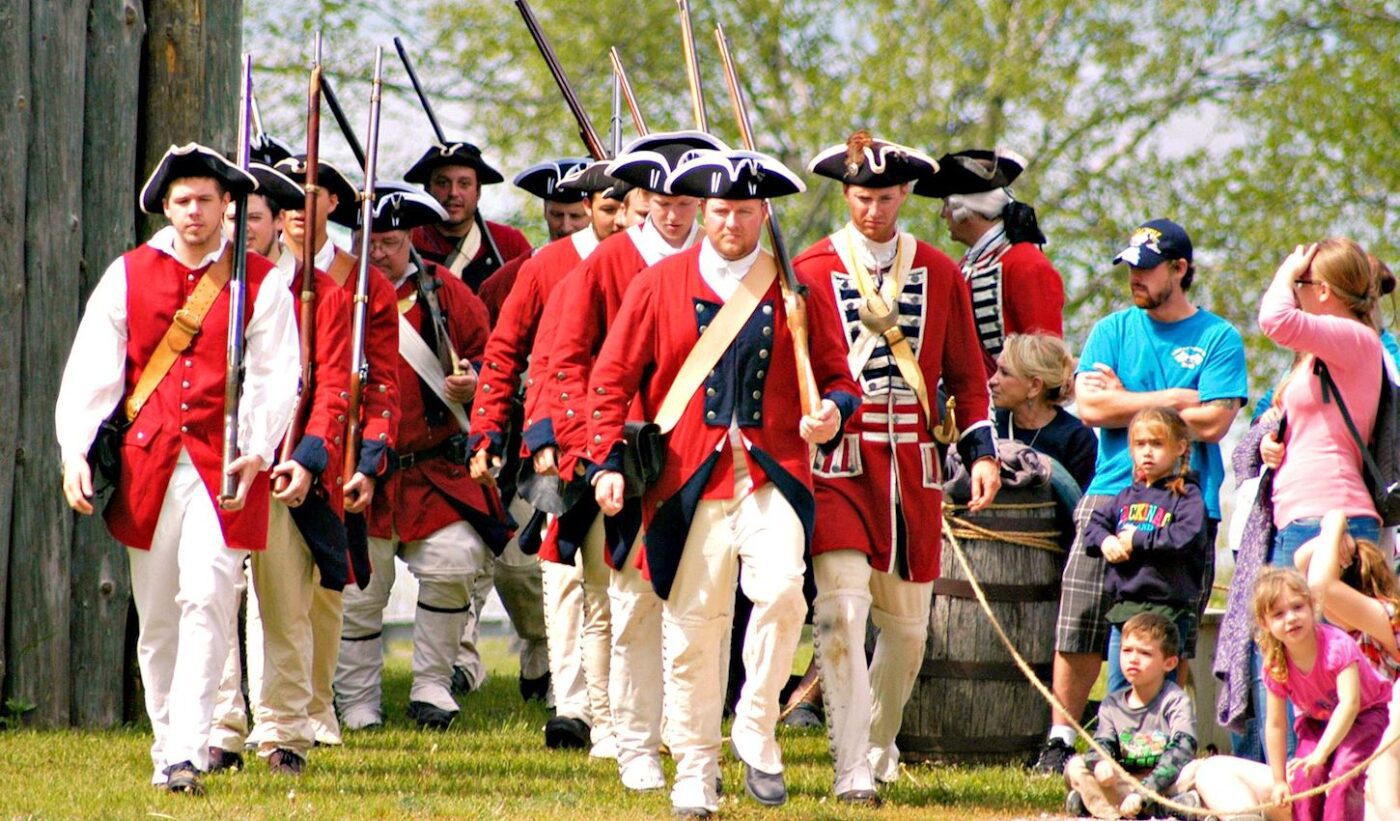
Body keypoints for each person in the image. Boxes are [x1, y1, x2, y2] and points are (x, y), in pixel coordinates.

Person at [587, 148, 861, 816]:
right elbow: (612, 378)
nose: (731, 222)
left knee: (782, 595)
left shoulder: (794, 290)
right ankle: (695, 772)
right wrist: (605, 461)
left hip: (773, 471)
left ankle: (756, 720)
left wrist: (833, 412)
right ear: (701, 212)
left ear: (762, 211)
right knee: (691, 631)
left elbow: (839, 380)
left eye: (743, 210)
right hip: (687, 479)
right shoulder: (659, 284)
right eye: (719, 210)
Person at [56, 143, 299, 794]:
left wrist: (257, 443)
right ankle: (169, 747)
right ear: (166, 206)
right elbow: (93, 371)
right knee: (160, 614)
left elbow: (278, 376)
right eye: (182, 200)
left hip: (225, 469)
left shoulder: (261, 281)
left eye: (206, 199)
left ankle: (190, 748)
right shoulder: (129, 274)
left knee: (208, 598)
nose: (195, 211)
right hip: (149, 464)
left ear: (228, 205)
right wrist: (75, 448)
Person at [792, 132, 1000, 805]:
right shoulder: (812, 266)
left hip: (913, 466)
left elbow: (968, 374)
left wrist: (981, 451)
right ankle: (851, 762)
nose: (872, 210)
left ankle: (878, 744)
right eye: (861, 197)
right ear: (845, 194)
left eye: (884, 197)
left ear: (905, 194)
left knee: (908, 631)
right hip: (839, 461)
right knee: (842, 612)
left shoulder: (940, 271)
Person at [530, 131, 727, 778]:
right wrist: (592, 447)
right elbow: (567, 358)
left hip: (699, 455)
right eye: (660, 200)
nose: (673, 213)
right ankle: (614, 730)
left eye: (686, 201)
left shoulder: (715, 264)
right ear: (640, 198)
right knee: (617, 599)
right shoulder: (609, 263)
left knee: (692, 599)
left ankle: (678, 724)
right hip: (620, 453)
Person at [1035, 218, 1247, 774]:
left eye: (1147, 268)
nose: (1135, 276)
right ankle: (1061, 739)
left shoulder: (1218, 337)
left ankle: (1157, 743)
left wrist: (1129, 398)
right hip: (1108, 495)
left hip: (1184, 503)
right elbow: (1092, 409)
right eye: (1130, 266)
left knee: (1164, 627)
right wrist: (1177, 397)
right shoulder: (1111, 329)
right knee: (1080, 620)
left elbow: (1217, 421)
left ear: (1180, 270)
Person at [464, 155, 643, 754]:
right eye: (611, 207)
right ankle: (573, 707)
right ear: (590, 207)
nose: (621, 219)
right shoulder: (547, 266)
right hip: (559, 439)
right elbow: (508, 353)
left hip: (631, 439)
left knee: (620, 583)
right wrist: (490, 431)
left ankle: (620, 707)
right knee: (565, 580)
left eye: (629, 207)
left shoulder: (650, 262)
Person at [334, 186, 503, 732]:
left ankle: (432, 684)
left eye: (388, 242)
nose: (377, 253)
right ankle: (358, 701)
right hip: (363, 469)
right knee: (359, 591)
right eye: (368, 242)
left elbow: (490, 356)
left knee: (455, 561)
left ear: (409, 240)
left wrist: (472, 378)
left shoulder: (444, 291)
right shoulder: (339, 290)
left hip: (433, 469)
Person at [273, 155, 400, 748]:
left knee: (326, 590)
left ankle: (318, 707)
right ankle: (274, 716)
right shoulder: (259, 274)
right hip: (268, 445)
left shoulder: (361, 281)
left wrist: (370, 459)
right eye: (290, 197)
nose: (300, 208)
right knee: (269, 595)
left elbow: (381, 381)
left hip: (336, 450)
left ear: (332, 204)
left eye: (313, 195)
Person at [1249, 239, 1385, 757]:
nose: (1296, 290)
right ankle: (1295, 789)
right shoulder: (1324, 356)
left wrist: (1287, 270)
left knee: (1337, 670)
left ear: (1322, 290)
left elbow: (1274, 319)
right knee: (1289, 667)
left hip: (1332, 517)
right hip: (1300, 515)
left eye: (1304, 284)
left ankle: (1340, 788)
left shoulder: (1353, 338)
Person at [245, 164, 352, 775]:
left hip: (284, 468)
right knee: (208, 601)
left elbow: (336, 386)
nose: (246, 227)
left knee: (286, 609)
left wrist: (309, 459)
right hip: (213, 466)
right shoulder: (207, 288)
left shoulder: (319, 294)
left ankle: (285, 731)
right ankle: (217, 730)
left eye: (255, 216)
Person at [1082, 407, 1208, 695]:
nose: (1147, 452)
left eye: (1157, 444)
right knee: (1119, 688)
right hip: (1125, 609)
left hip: (1167, 612)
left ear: (1179, 447)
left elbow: (1185, 537)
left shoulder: (1186, 495)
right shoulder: (1125, 497)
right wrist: (1106, 541)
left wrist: (1136, 540)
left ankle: (1158, 741)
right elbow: (1094, 526)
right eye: (1140, 444)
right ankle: (1115, 740)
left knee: (1157, 693)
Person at [918, 147, 1064, 375]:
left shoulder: (1026, 264)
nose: (942, 214)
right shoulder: (967, 265)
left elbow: (1046, 360)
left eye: (945, 203)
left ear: (963, 209)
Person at [1294, 509, 1400, 818]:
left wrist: (1334, 522)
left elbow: (1320, 586)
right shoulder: (1348, 634)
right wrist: (1342, 542)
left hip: (1382, 733)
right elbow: (1304, 560)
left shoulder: (1386, 616)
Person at [1062, 612, 1202, 820]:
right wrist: (1101, 763)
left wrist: (1144, 792)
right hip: (1125, 781)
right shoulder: (1112, 704)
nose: (1133, 659)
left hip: (1164, 782)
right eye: (1127, 650)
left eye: (1145, 653)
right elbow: (1101, 744)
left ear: (1170, 663)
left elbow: (1183, 748)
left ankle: (1101, 805)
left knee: (1199, 770)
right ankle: (1145, 813)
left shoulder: (1175, 700)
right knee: (1076, 767)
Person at [476, 159, 631, 323]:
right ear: (545, 211)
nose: (565, 227)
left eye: (575, 216)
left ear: (589, 209)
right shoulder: (515, 273)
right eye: (557, 215)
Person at [406, 141, 532, 290]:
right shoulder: (407, 241)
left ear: (478, 191)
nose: (453, 192)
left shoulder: (508, 242)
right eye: (442, 183)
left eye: (464, 184)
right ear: (428, 189)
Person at [990, 332, 1097, 491]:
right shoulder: (991, 427)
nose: (992, 381)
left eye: (1005, 373)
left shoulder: (1077, 439)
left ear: (1034, 387)